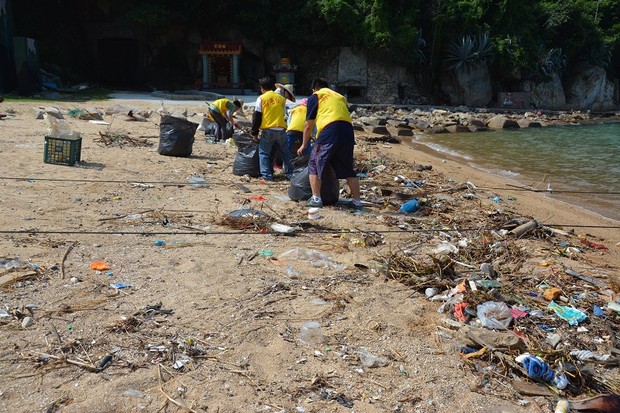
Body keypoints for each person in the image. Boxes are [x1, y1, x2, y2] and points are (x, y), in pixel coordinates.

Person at [298, 77, 362, 208]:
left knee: (315, 162)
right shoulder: (340, 97)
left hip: (330, 130)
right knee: (347, 167)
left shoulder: (316, 96)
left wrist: (304, 144)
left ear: (314, 88)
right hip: (348, 132)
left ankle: (316, 198)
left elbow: (308, 125)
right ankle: (357, 201)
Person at [251, 77, 294, 181]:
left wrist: (254, 133)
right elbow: (283, 114)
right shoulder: (281, 99)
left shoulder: (261, 98)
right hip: (281, 129)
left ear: (262, 88)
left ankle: (267, 176)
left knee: (264, 153)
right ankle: (290, 174)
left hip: (268, 130)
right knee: (286, 153)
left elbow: (257, 116)